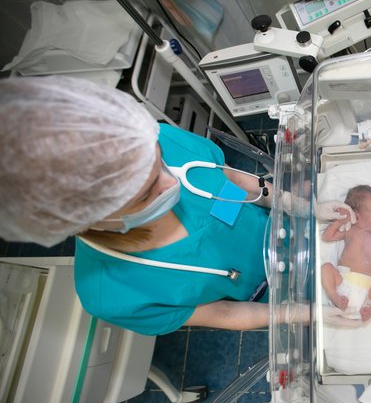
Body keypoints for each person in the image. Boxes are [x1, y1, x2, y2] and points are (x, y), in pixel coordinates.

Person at [0, 75, 351, 336]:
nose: (173, 182)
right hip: (267, 297)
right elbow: (224, 314)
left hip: (284, 228)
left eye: (159, 163)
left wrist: (297, 204)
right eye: (146, 193)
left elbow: (236, 182)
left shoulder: (166, 142)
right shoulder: (111, 293)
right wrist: (301, 313)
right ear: (88, 220)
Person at [320, 185, 371, 322]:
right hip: (344, 284)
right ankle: (333, 296)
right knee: (326, 268)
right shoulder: (350, 231)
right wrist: (340, 221)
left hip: (370, 291)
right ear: (357, 218)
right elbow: (327, 237)